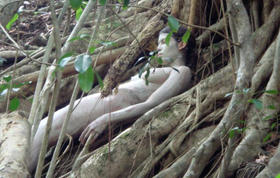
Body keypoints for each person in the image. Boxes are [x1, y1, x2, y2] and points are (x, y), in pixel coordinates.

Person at [29, 26, 194, 171]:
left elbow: (152, 104)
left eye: (164, 42)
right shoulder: (159, 69)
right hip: (102, 103)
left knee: (42, 133)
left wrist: (106, 119)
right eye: (158, 43)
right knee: (39, 133)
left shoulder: (182, 71)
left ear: (181, 44)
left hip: (107, 108)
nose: (158, 48)